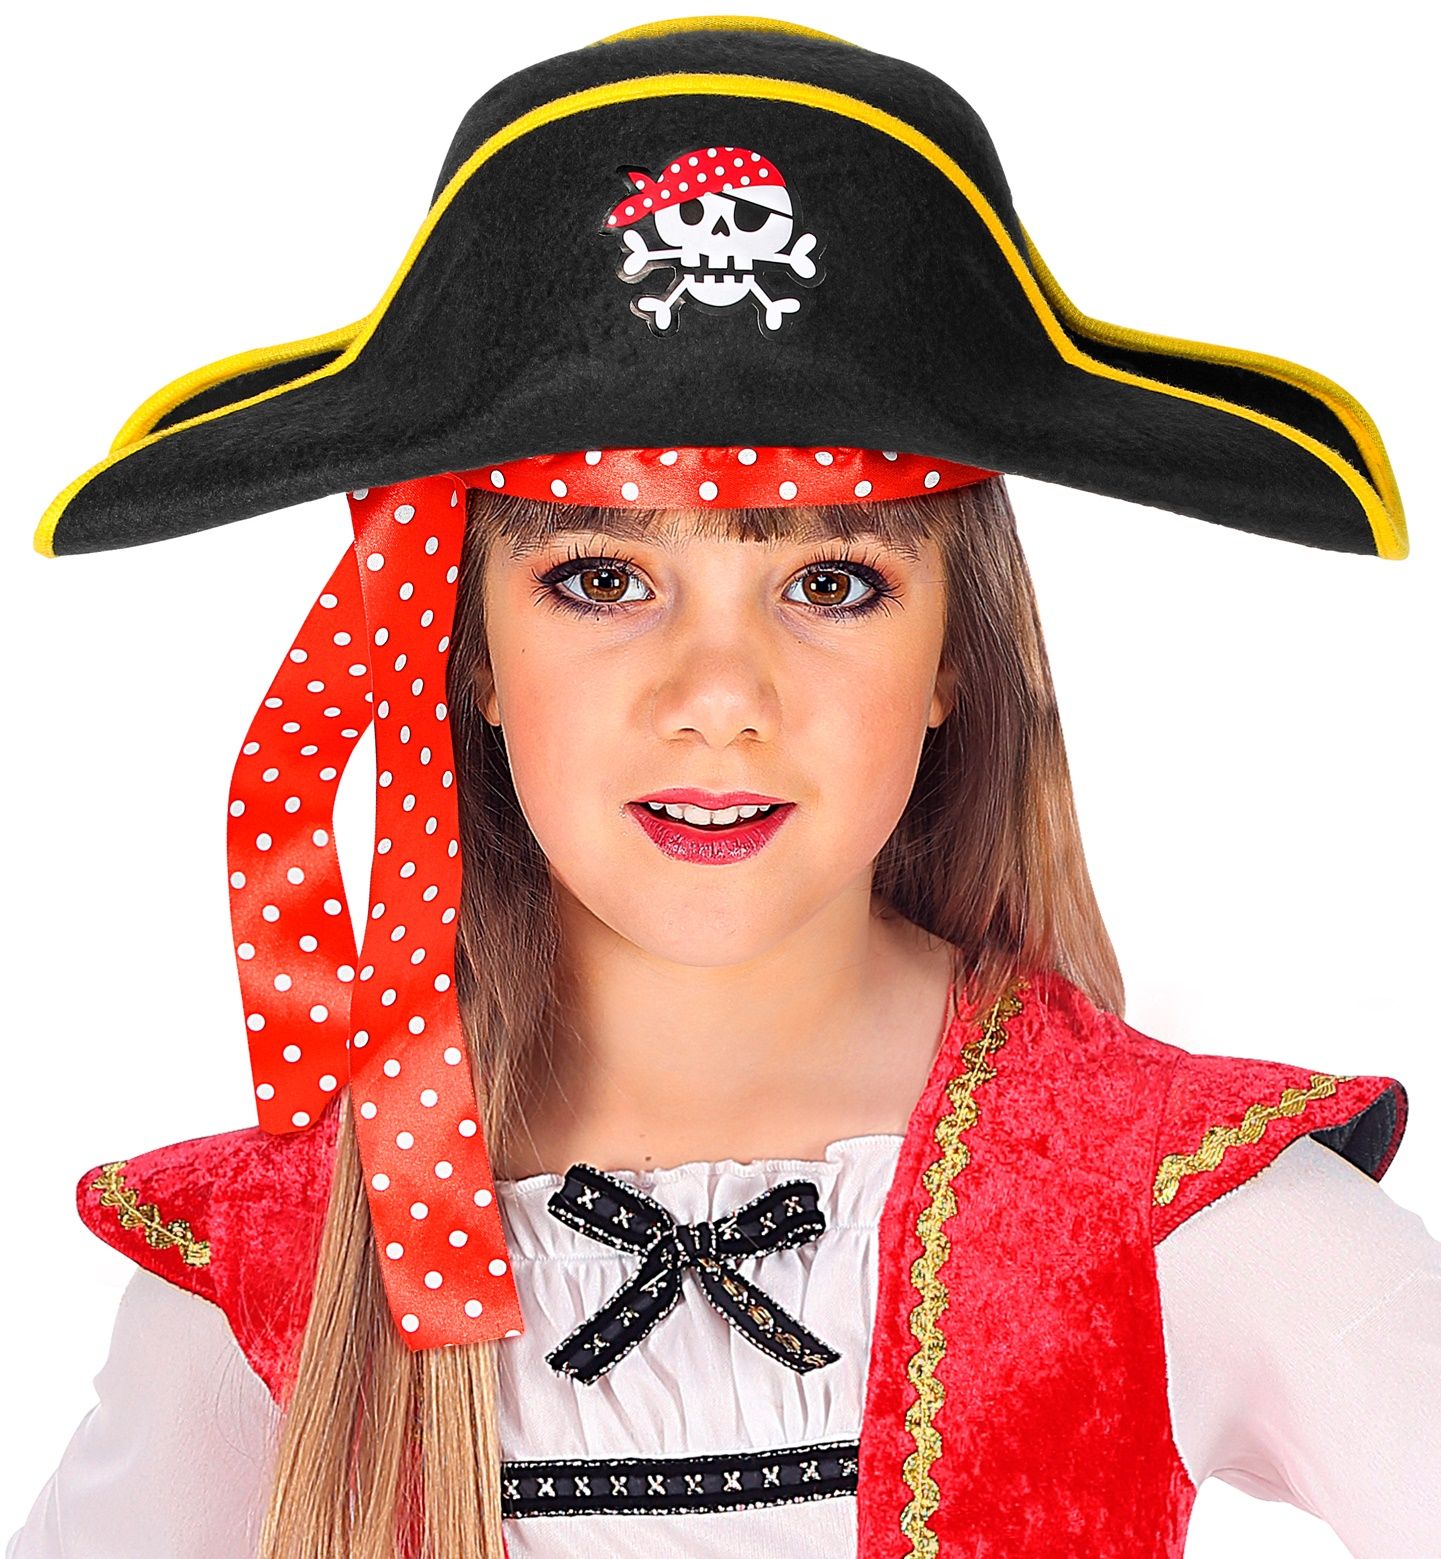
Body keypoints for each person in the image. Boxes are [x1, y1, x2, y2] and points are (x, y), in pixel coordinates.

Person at [8, 16, 1438, 1559]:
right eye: (601, 577)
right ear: (464, 646)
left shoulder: (1169, 1205)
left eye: (828, 582)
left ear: (954, 653)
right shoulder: (276, 1274)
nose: (717, 698)